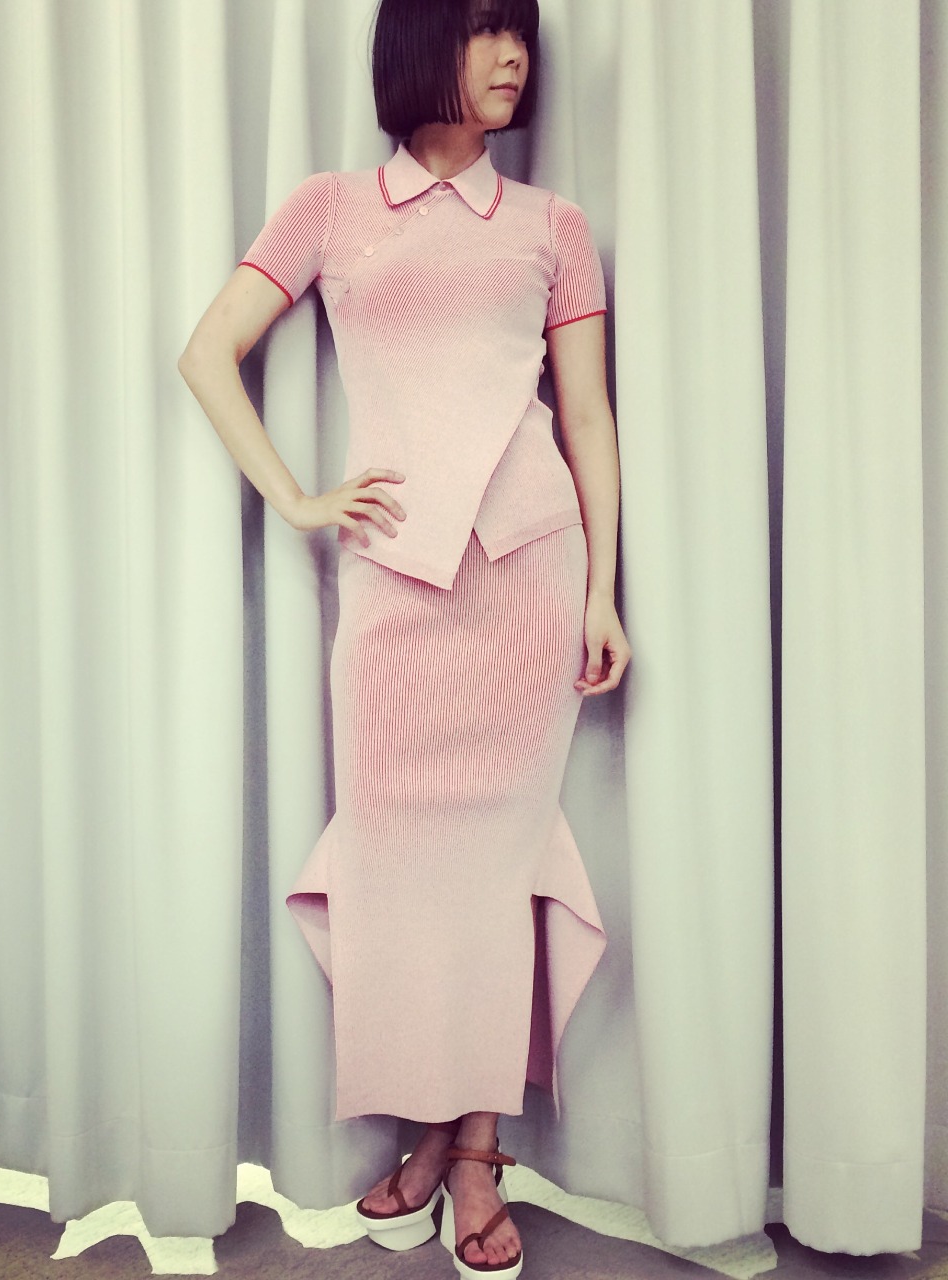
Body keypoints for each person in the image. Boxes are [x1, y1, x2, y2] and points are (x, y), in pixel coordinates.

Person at [179, 0, 629, 1273]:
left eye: (519, 33)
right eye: (485, 29)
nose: (512, 55)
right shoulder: (328, 208)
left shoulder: (552, 226)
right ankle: (428, 1121)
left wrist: (601, 590)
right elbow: (208, 352)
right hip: (390, 587)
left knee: (489, 870)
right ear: (421, 43)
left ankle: (471, 1150)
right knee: (393, 864)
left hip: (526, 575)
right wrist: (296, 498)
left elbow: (586, 418)